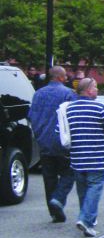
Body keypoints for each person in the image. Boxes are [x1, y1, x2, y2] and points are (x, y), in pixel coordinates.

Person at [66, 78, 104, 237]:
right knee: (94, 189)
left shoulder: (69, 109)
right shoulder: (99, 108)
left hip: (77, 158)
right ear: (88, 90)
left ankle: (87, 220)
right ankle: (86, 220)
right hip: (97, 157)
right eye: (95, 87)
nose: (97, 90)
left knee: (83, 191)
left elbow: (60, 131)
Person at [28, 65, 76, 222]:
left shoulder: (38, 94)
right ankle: (58, 199)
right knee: (69, 172)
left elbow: (32, 116)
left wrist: (39, 134)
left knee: (49, 177)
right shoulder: (68, 94)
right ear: (61, 77)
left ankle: (54, 211)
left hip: (44, 141)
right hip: (62, 141)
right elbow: (74, 117)